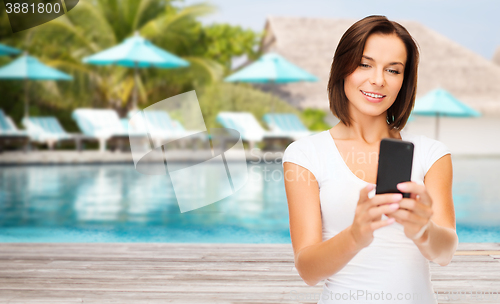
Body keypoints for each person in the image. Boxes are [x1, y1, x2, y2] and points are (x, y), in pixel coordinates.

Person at [282, 15, 458, 304]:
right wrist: (355, 236)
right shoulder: (305, 155)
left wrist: (423, 230)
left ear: (405, 81)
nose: (378, 80)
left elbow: (446, 252)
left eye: (393, 70)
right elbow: (307, 270)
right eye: (365, 64)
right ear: (343, 67)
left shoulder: (431, 153)